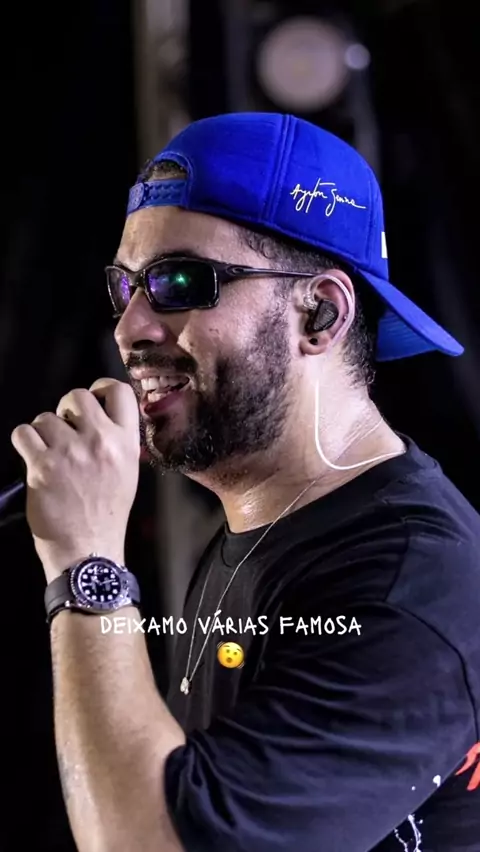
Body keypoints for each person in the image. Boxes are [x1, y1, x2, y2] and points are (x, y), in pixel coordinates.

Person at [11, 112, 480, 852]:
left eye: (178, 282)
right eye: (125, 287)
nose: (130, 328)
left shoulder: (412, 582)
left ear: (320, 313)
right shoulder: (263, 525)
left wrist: (86, 563)